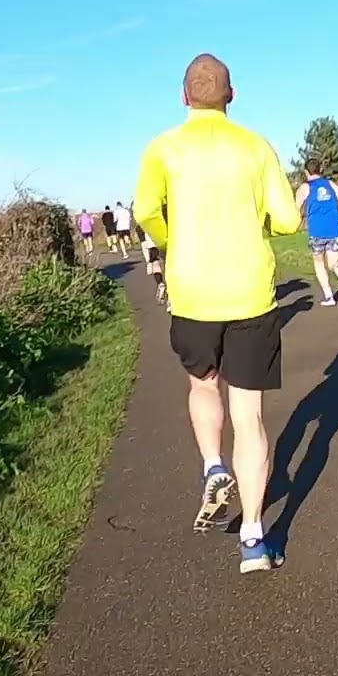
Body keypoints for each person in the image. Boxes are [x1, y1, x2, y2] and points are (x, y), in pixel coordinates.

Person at [133, 53, 301, 574]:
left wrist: (172, 239)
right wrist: (259, 228)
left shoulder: (162, 148)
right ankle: (254, 537)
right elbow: (290, 220)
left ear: (184, 97)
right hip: (250, 292)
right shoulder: (256, 146)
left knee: (203, 386)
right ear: (232, 96)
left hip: (192, 293)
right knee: (248, 415)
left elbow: (144, 213)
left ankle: (212, 466)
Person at [295, 159, 338, 306]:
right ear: (320, 170)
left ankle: (329, 296)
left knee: (319, 262)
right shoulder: (330, 184)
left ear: (306, 172)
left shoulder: (305, 188)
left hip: (317, 231)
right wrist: (332, 210)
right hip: (335, 229)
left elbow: (296, 209)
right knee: (333, 262)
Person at [131, 201, 170, 310]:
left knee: (156, 263)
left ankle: (160, 284)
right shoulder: (166, 206)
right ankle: (171, 298)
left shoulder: (145, 210)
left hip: (152, 240)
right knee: (169, 266)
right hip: (168, 238)